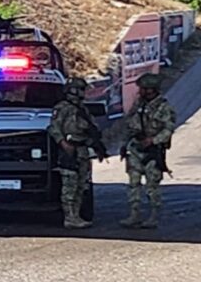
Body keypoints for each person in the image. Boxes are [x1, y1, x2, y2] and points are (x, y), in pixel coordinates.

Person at [48, 77, 108, 229]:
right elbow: (54, 128)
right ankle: (69, 217)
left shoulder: (82, 109)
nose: (83, 93)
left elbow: (90, 131)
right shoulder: (63, 108)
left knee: (81, 186)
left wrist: (97, 147)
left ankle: (76, 215)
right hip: (69, 150)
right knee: (70, 185)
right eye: (81, 89)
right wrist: (63, 143)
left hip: (82, 151)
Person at [120, 72, 176, 229]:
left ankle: (153, 216)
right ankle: (134, 214)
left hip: (153, 151)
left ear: (152, 89)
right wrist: (125, 144)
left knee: (152, 185)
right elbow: (129, 125)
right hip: (135, 148)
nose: (141, 91)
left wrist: (153, 140)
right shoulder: (139, 105)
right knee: (133, 183)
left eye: (144, 88)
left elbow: (168, 129)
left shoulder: (164, 108)